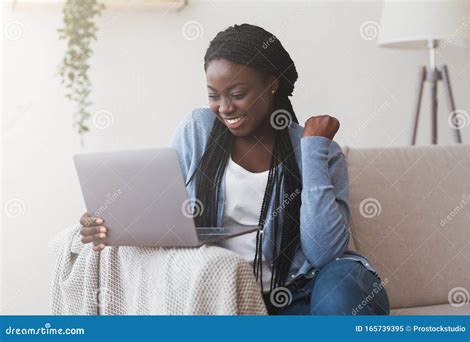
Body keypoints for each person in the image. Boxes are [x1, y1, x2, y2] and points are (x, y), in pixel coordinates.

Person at [79, 23, 390, 315]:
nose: (225, 107)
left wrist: (313, 150)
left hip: (303, 293)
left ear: (271, 84)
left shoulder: (315, 149)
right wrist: (109, 222)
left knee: (342, 284)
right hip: (227, 296)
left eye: (237, 94)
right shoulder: (198, 130)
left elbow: (324, 252)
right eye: (214, 95)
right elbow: (160, 211)